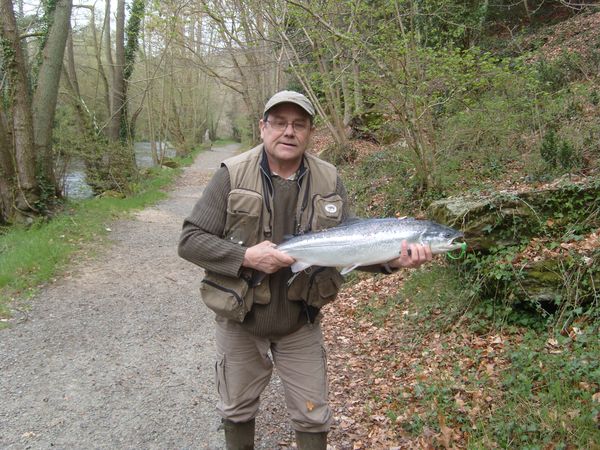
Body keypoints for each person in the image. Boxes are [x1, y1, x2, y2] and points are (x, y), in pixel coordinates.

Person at [178, 90, 432, 450]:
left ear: (310, 132)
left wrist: (393, 259)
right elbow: (190, 240)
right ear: (263, 127)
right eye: (279, 122)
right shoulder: (231, 175)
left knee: (314, 415)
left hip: (301, 320)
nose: (288, 132)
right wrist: (247, 257)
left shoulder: (329, 179)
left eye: (299, 124)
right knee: (235, 409)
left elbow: (352, 246)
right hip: (241, 320)